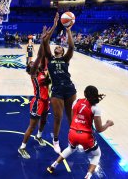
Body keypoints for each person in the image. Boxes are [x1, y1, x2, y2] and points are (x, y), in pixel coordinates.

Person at [47, 85, 114, 179]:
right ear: (95, 95)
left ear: (85, 94)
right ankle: (88, 176)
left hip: (72, 132)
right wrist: (108, 124)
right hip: (85, 136)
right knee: (97, 154)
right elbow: (99, 129)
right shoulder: (95, 108)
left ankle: (53, 165)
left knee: (70, 148)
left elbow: (72, 116)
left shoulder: (76, 101)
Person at [43, 13, 77, 153]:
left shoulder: (65, 59)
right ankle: (56, 140)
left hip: (69, 89)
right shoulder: (50, 58)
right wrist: (55, 25)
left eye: (60, 47)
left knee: (70, 116)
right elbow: (45, 42)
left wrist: (68, 30)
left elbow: (71, 46)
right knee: (58, 117)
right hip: (56, 90)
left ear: (62, 51)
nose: (58, 47)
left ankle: (73, 139)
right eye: (56, 46)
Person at [18, 27, 51, 159]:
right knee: (31, 126)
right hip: (37, 102)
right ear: (30, 68)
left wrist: (45, 39)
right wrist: (42, 40)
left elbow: (43, 55)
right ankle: (22, 147)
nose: (34, 63)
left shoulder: (42, 70)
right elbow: (39, 56)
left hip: (46, 101)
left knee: (44, 121)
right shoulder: (33, 74)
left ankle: (39, 136)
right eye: (31, 63)